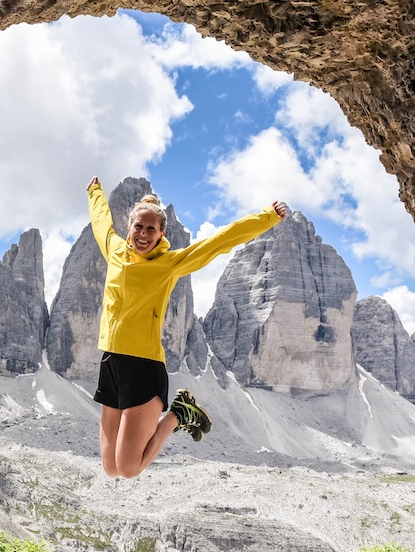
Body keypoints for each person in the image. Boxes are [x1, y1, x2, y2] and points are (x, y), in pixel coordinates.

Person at [87, 176, 287, 478]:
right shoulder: (114, 250)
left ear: (161, 233)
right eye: (138, 227)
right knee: (110, 468)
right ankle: (179, 413)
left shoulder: (168, 264)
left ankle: (178, 415)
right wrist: (95, 192)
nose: (143, 234)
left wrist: (268, 217)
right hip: (111, 363)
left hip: (143, 366)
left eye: (150, 229)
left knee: (128, 469)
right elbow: (101, 223)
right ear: (129, 227)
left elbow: (218, 242)